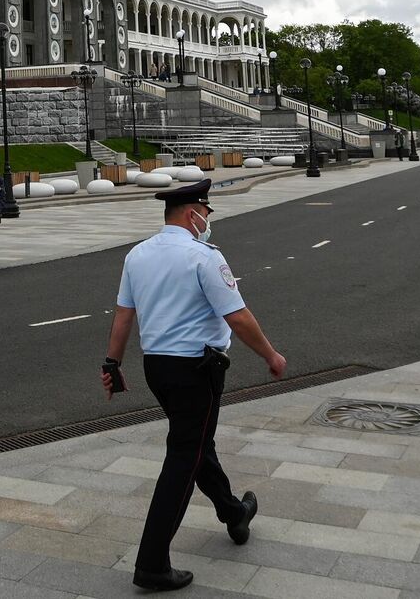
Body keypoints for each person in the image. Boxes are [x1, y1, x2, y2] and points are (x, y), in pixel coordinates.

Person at [101, 179, 284, 592]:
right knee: (185, 453)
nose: (207, 220)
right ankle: (151, 562)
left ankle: (233, 512)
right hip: (196, 371)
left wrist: (111, 363)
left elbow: (123, 315)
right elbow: (237, 316)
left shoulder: (138, 254)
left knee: (196, 442)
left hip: (157, 369)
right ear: (192, 213)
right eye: (206, 212)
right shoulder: (204, 257)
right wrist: (271, 356)